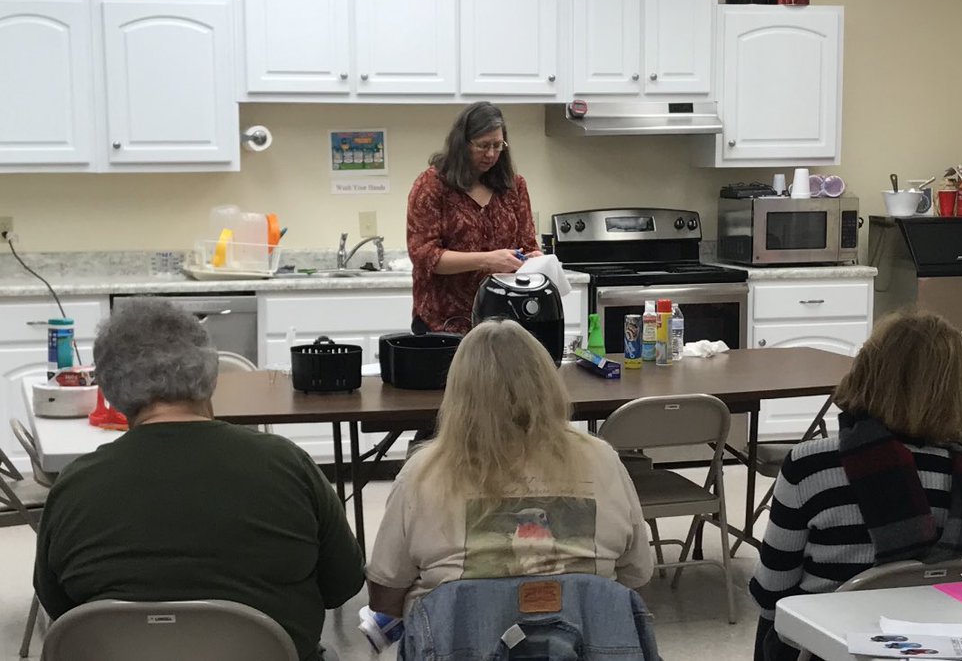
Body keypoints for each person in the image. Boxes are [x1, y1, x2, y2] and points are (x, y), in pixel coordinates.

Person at [33, 298, 363, 661]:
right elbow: (342, 585)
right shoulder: (287, 466)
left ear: (109, 391)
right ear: (211, 373)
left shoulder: (73, 488)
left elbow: (61, 609)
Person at [366, 319, 654, 617]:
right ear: (548, 383)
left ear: (456, 392)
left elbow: (385, 598)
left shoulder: (422, 473)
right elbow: (637, 583)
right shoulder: (602, 459)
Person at [749, 311, 962, 661]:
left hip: (824, 647)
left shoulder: (810, 465)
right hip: (925, 650)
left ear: (866, 371)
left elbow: (772, 591)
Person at [406, 102, 543, 335]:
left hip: (503, 322)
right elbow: (425, 256)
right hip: (443, 324)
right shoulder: (432, 185)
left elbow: (527, 245)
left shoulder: (514, 186)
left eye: (497, 145)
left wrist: (534, 259)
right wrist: (487, 260)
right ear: (462, 143)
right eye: (482, 146)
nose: (491, 154)